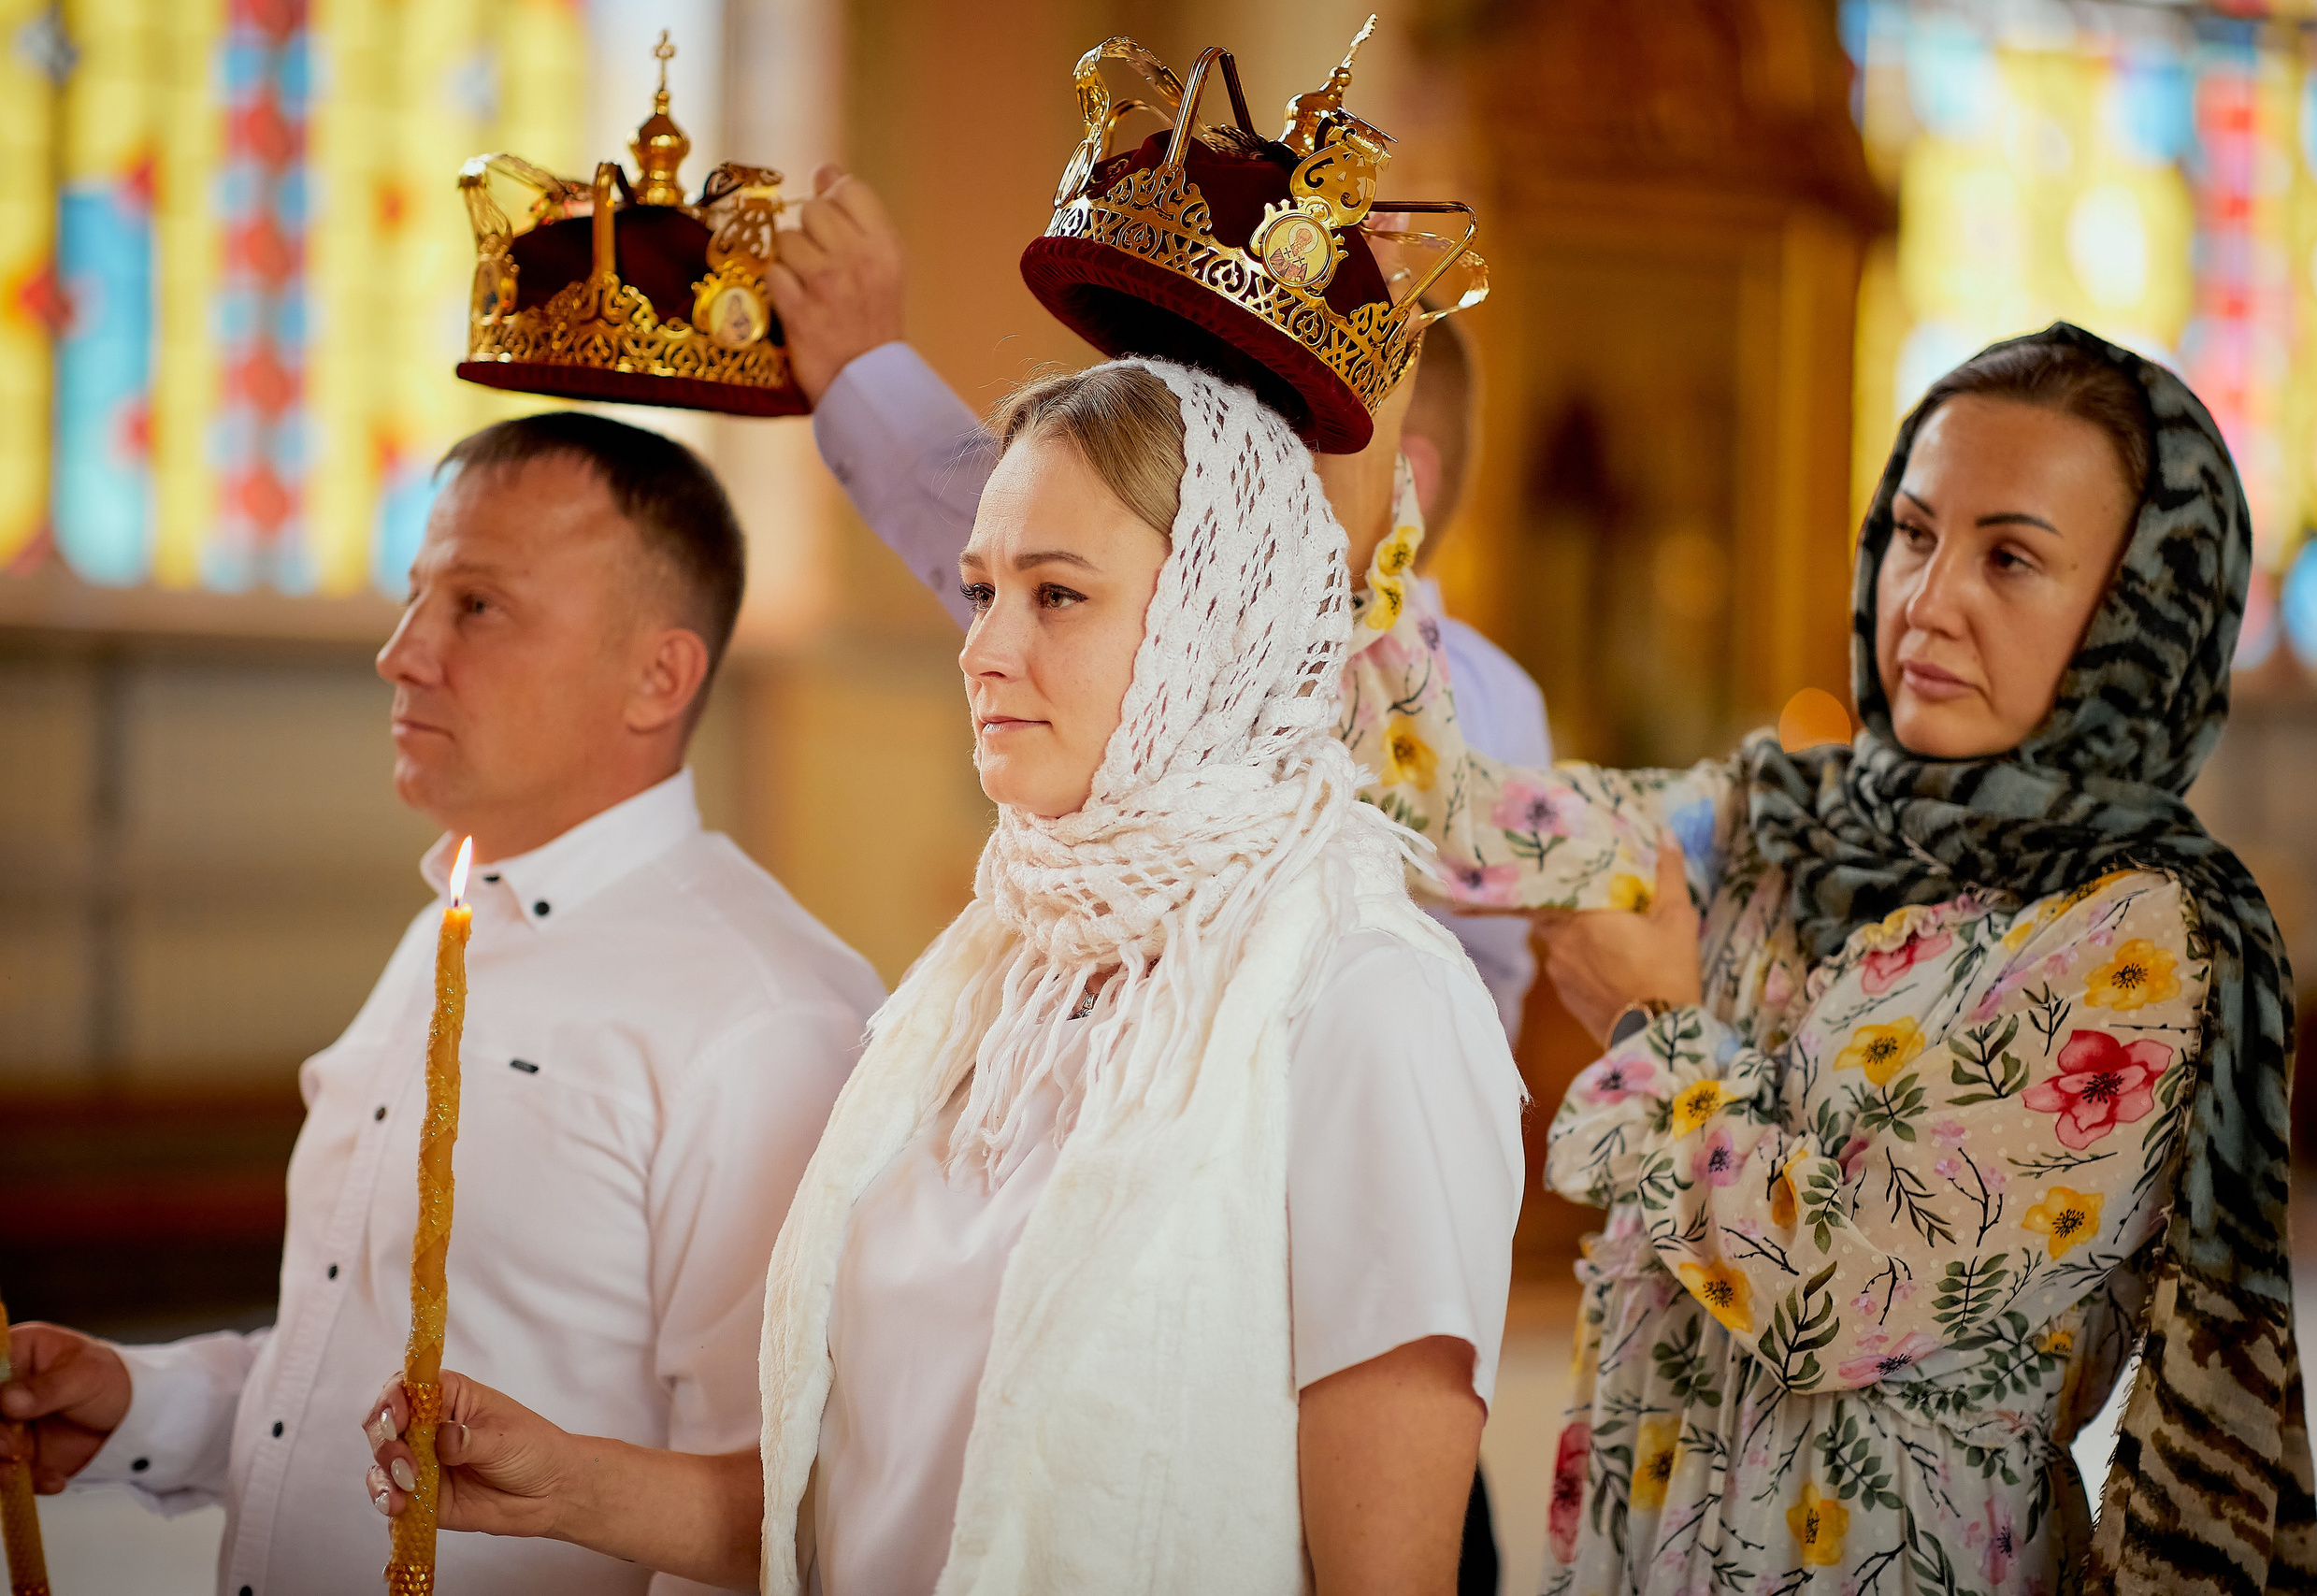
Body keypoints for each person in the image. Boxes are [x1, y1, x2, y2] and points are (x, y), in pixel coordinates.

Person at [357, 361, 1526, 1596]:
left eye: (1057, 593)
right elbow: (873, 1504)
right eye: (980, 590)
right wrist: (569, 1482)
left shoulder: (1363, 995)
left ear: (1219, 625)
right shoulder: (992, 974)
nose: (986, 649)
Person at [1337, 323, 2317, 1592]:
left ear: (2140, 618)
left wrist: (1659, 1024)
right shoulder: (1776, 820)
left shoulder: (2138, 938)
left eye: (2010, 556)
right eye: (1914, 532)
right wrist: (1358, 489)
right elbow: (1434, 815)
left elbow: (1837, 1289)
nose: (1928, 596)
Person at [0, 414, 885, 1596]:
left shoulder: (765, 1016)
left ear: (657, 675)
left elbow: (785, 1511)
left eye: (478, 605)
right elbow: (354, 1359)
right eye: (417, 594)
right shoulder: (450, 929)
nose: (403, 651)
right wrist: (138, 1404)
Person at [768, 164, 1554, 1044]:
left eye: (1231, 447)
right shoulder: (1144, 620)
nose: (1182, 475)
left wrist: (866, 372)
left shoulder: (1455, 719)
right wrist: (861, 373)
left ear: (1390, 478)